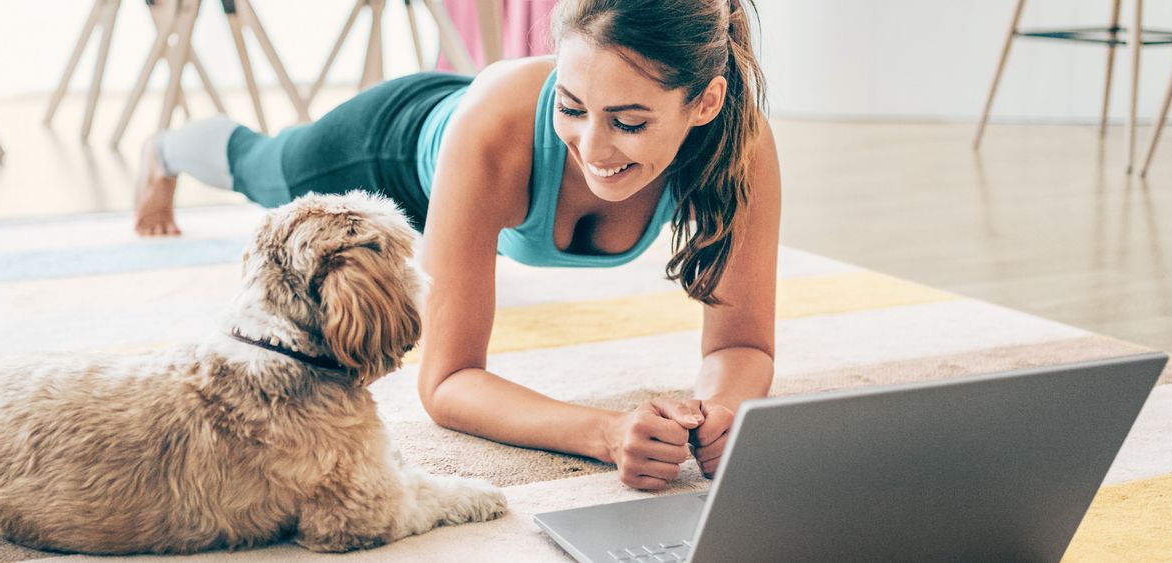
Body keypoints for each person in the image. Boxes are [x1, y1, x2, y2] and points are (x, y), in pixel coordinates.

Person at [133, 0, 778, 491]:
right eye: (571, 106)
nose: (592, 149)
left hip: (473, 163)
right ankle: (164, 150)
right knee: (261, 165)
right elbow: (446, 382)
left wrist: (723, 415)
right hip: (394, 147)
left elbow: (741, 345)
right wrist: (606, 432)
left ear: (706, 103)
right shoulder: (498, 130)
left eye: (630, 121)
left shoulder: (739, 147)